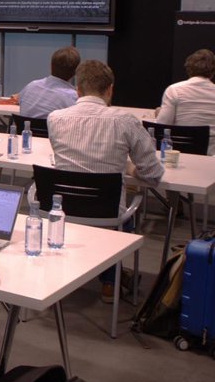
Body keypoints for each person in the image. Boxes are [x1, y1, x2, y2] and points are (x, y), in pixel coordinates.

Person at [47, 60, 164, 302]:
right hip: (109, 215)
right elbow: (153, 173)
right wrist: (129, 167)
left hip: (63, 210)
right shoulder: (125, 121)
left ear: (78, 90)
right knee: (123, 212)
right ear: (110, 89)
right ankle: (110, 283)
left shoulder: (55, 118)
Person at [155, 49, 215, 157]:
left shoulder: (173, 90)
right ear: (213, 72)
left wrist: (160, 113)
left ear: (188, 69)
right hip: (213, 158)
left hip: (180, 156)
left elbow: (162, 124)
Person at [16, 46, 80, 120]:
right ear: (75, 71)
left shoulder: (31, 86)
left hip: (25, 127)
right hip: (53, 128)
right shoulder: (73, 97)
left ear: (51, 66)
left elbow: (20, 102)